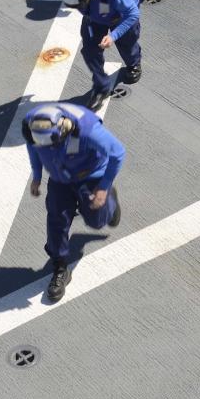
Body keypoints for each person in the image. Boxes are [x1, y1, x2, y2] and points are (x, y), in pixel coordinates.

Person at [24, 101, 125, 302]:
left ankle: (110, 203)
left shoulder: (88, 130)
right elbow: (33, 146)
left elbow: (118, 152)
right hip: (60, 178)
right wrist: (36, 175)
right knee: (56, 219)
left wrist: (103, 188)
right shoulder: (33, 124)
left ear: (63, 131)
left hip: (91, 176)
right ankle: (60, 267)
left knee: (96, 221)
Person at [58, 0, 142, 110]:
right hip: (94, 15)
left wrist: (113, 36)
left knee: (127, 43)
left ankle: (133, 63)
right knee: (90, 51)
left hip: (121, 15)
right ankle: (101, 87)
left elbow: (132, 13)